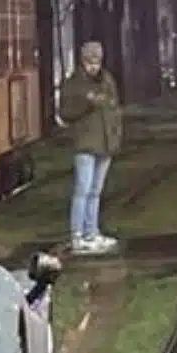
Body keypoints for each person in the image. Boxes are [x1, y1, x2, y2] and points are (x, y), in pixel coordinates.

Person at [58, 40, 123, 255]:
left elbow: (114, 110)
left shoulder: (107, 80)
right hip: (86, 145)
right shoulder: (74, 84)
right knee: (83, 190)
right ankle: (78, 235)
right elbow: (65, 113)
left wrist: (115, 135)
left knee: (95, 191)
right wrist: (87, 103)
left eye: (97, 60)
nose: (94, 65)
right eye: (89, 61)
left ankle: (92, 232)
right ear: (82, 60)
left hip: (105, 144)